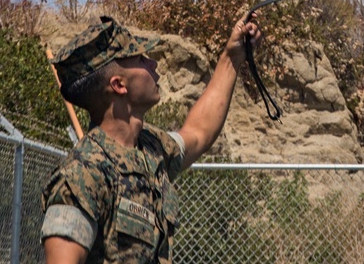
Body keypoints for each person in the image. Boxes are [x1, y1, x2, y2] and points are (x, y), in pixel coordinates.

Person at [41, 13, 261, 263]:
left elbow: (199, 132)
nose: (153, 64)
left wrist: (232, 57)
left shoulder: (150, 148)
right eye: (140, 59)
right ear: (119, 85)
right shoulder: (81, 175)